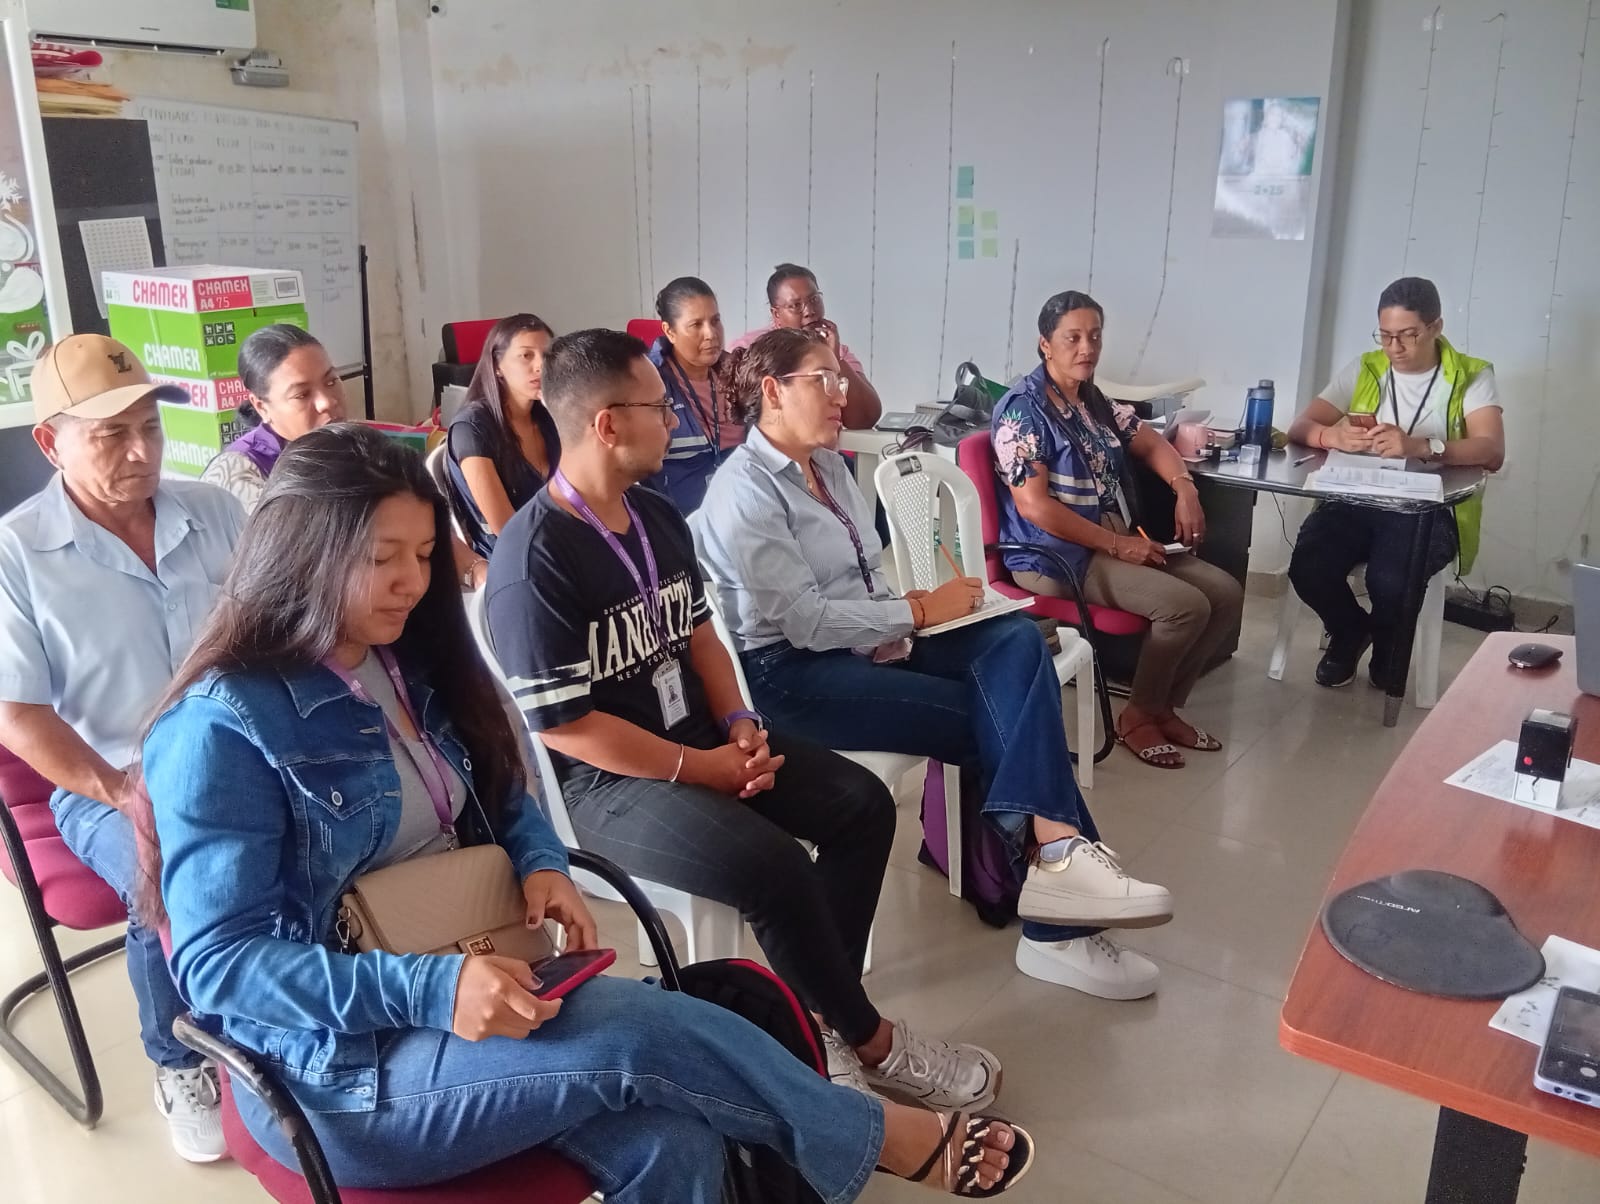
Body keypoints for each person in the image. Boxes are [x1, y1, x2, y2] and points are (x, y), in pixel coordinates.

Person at [138, 421, 1033, 1200]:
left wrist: (539, 863)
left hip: (473, 970)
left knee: (674, 1140)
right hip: (344, 1073)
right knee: (633, 1034)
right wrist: (433, 989)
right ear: (304, 552)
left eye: (423, 555)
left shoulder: (405, 659)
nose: (411, 581)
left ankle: (853, 1127)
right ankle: (877, 1136)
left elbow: (502, 790)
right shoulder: (223, 726)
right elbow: (219, 967)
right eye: (382, 558)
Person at [487, 328, 1008, 1105]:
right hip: (608, 785)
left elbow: (701, 635)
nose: (674, 422)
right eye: (658, 409)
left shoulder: (654, 515)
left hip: (701, 739)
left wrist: (737, 720)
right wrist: (701, 768)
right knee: (774, 867)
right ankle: (872, 1040)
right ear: (607, 424)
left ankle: (818, 1021)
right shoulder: (535, 559)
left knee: (861, 805)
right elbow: (566, 727)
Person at [693, 328, 1175, 1001]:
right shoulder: (743, 492)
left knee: (1015, 641)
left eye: (840, 379)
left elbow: (862, 585)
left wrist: (916, 617)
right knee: (1000, 715)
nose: (842, 395)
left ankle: (1058, 870)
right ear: (772, 392)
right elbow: (805, 622)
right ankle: (1059, 908)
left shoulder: (828, 466)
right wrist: (917, 612)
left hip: (866, 643)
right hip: (791, 675)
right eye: (824, 380)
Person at [0, 334, 244, 1161]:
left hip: (236, 750)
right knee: (165, 870)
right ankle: (179, 1060)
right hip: (104, 776)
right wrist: (120, 791)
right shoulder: (15, 554)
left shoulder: (215, 513)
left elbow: (275, 630)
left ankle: (279, 1018)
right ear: (51, 442)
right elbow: (18, 717)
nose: (141, 453)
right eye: (111, 435)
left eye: (150, 427)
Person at [991, 291, 1244, 770]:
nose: (1087, 348)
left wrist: (1185, 488)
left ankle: (1161, 708)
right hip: (1054, 553)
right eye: (1072, 338)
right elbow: (1034, 506)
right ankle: (1137, 717)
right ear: (1045, 344)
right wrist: (1117, 544)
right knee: (1184, 607)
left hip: (1112, 537)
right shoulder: (1022, 411)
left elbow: (1150, 442)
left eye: (1095, 336)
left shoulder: (1093, 400)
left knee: (1226, 594)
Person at [1287, 276, 1505, 687]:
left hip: (1427, 508)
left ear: (1436, 327)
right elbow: (1300, 426)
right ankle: (1351, 632)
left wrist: (1423, 446)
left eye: (1408, 335)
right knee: (1308, 566)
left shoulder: (1471, 375)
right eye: (1385, 335)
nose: (1394, 348)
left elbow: (1491, 450)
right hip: (1357, 500)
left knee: (1389, 579)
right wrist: (1330, 436)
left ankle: (1389, 648)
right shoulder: (1366, 367)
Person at [444, 313, 560, 564]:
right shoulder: (471, 428)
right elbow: (506, 528)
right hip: (516, 560)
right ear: (497, 366)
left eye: (547, 355)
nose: (541, 365)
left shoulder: (548, 417)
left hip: (560, 545)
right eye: (526, 355)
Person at [201, 324, 346, 512]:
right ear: (261, 407)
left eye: (331, 381)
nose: (327, 402)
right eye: (302, 395)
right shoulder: (240, 477)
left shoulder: (359, 447)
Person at [728, 263, 883, 428]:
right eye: (795, 305)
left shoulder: (834, 347)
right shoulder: (749, 349)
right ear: (776, 314)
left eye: (814, 300)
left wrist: (835, 359)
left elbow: (867, 417)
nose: (810, 311)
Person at [643, 276, 738, 513]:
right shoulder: (649, 385)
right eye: (696, 325)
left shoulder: (738, 374)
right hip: (679, 519)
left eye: (715, 321)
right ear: (670, 331)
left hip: (740, 510)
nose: (711, 334)